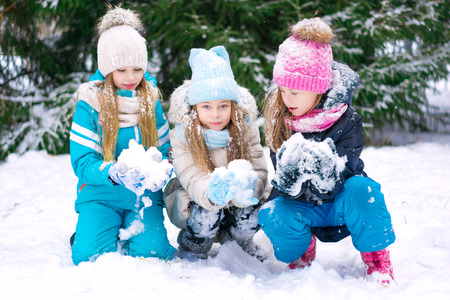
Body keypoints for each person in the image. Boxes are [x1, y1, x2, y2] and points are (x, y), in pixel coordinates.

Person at [258, 18, 396, 285]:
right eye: (283, 90)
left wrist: (321, 167)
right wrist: (291, 177)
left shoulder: (348, 121)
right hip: (301, 203)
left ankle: (376, 256)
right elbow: (283, 179)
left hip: (340, 202)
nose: (287, 99)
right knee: (274, 213)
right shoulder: (281, 122)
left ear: (318, 89)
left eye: (295, 92)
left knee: (364, 192)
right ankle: (302, 249)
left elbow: (347, 169)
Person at [69, 5, 175, 265]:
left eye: (138, 69)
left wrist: (161, 171)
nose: (131, 77)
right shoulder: (90, 103)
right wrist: (114, 172)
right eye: (122, 70)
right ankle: (91, 230)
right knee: (88, 257)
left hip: (143, 196)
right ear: (107, 68)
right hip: (100, 194)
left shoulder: (150, 99)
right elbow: (82, 162)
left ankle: (132, 233)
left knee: (153, 254)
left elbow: (164, 151)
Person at [163, 45, 268, 261]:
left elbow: (259, 166)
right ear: (195, 108)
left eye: (223, 106)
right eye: (206, 107)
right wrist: (210, 193)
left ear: (233, 106)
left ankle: (240, 241)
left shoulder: (245, 127)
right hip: (198, 201)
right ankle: (194, 244)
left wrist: (250, 187)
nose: (216, 114)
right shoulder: (182, 135)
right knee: (207, 214)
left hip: (236, 205)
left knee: (252, 212)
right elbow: (190, 175)